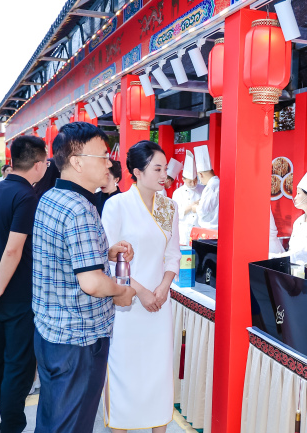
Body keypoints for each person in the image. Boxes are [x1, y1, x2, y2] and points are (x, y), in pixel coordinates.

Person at [32, 122, 136, 433]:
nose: (110, 162)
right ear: (77, 161)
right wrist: (121, 292)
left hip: (50, 331)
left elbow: (62, 254)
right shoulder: (80, 209)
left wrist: (104, 251)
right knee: (72, 424)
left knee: (53, 418)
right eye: (104, 156)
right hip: (79, 340)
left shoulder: (52, 197)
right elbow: (91, 283)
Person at [101, 141, 181, 432]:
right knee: (125, 370)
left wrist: (162, 288)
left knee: (158, 372)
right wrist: (141, 291)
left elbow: (173, 254)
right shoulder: (117, 205)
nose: (164, 174)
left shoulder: (167, 206)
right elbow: (108, 259)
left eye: (165, 168)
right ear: (136, 172)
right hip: (127, 305)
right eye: (157, 168)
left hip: (160, 305)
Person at [0, 135, 48, 433]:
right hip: (16, 298)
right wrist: (0, 289)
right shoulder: (27, 197)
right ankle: (11, 427)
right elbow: (13, 250)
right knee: (17, 368)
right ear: (39, 165)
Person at [171, 150, 204, 245]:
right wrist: (190, 207)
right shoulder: (178, 193)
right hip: (183, 231)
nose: (193, 183)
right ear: (183, 179)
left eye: (195, 180)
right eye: (190, 181)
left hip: (199, 230)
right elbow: (174, 214)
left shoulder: (203, 189)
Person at [192, 145, 219, 230]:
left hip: (210, 230)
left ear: (200, 174)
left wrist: (195, 208)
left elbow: (203, 210)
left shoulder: (211, 186)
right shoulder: (218, 183)